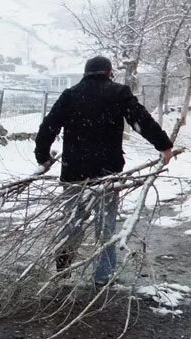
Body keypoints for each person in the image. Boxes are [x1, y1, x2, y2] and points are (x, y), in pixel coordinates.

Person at [34, 55, 174, 286]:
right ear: (109, 72)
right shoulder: (118, 93)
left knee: (71, 223)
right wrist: (164, 145)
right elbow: (142, 120)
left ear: (86, 72)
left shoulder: (70, 95)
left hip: (74, 173)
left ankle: (62, 270)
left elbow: (48, 127)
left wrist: (43, 156)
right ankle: (103, 276)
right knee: (105, 227)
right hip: (107, 172)